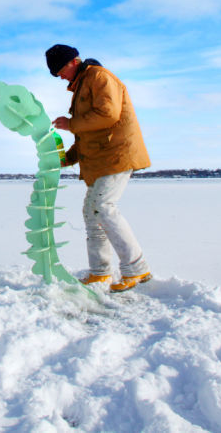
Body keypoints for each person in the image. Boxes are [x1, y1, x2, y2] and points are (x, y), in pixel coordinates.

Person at [45, 44, 152, 293]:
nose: (59, 77)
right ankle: (101, 272)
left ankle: (137, 269)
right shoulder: (83, 83)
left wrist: (71, 124)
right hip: (101, 159)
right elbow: (88, 133)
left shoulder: (98, 77)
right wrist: (67, 158)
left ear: (72, 62)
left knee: (103, 208)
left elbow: (108, 115)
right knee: (92, 212)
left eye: (59, 70)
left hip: (117, 155)